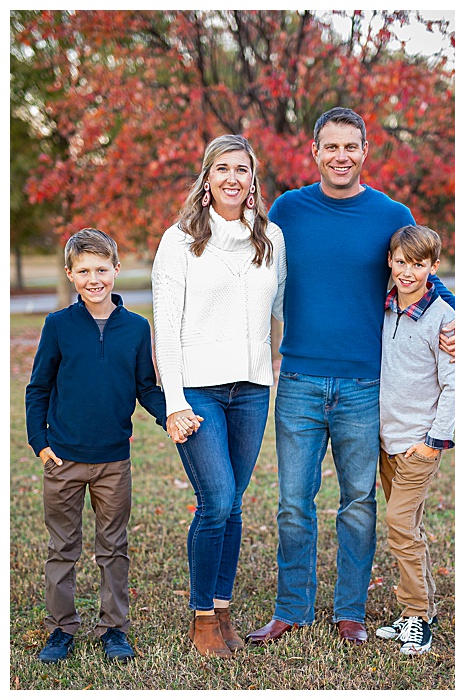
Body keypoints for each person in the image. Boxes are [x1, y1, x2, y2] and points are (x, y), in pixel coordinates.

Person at [252, 107, 455, 645]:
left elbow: (423, 273)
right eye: (331, 146)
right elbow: (252, 269)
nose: (341, 156)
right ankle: (291, 609)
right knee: (293, 504)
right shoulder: (288, 209)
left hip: (362, 388)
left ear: (365, 150)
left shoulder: (389, 214)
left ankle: (350, 611)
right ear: (315, 151)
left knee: (358, 503)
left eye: (350, 146)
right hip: (300, 380)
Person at [153, 134, 288, 658]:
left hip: (253, 389)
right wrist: (175, 403)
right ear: (207, 179)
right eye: (222, 168)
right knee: (216, 501)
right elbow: (165, 326)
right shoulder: (180, 239)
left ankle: (224, 609)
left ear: (253, 180)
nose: (233, 178)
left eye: (243, 169)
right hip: (199, 394)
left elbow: (284, 309)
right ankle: (203, 619)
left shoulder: (269, 237)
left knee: (234, 506)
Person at [26, 229, 173, 664]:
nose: (95, 278)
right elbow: (38, 388)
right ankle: (60, 630)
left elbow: (147, 387)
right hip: (64, 458)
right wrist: (40, 444)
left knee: (113, 547)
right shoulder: (58, 327)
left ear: (116, 270)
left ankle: (113, 629)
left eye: (102, 269)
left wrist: (171, 415)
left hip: (114, 461)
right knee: (62, 548)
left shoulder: (135, 329)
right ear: (70, 274)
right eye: (85, 270)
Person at [368, 225, 455, 655]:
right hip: (386, 441)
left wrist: (433, 441)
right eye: (401, 262)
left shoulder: (444, 318)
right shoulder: (384, 307)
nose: (408, 272)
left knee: (399, 527)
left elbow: (453, 387)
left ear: (434, 267)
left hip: (418, 445)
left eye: (419, 264)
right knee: (411, 528)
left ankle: (415, 618)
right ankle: (423, 610)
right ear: (390, 261)